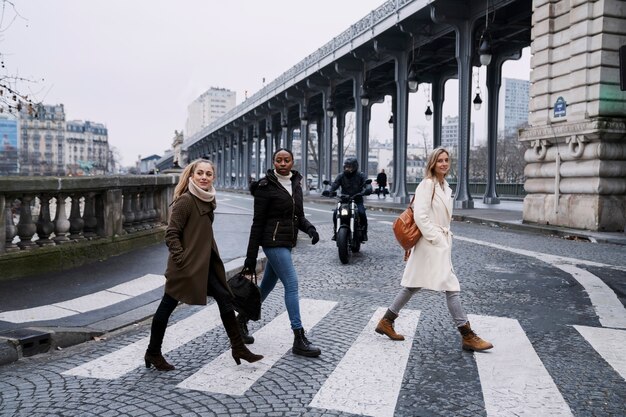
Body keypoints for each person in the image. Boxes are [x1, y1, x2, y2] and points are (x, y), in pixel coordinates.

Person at [145, 159, 263, 371]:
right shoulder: (186, 201)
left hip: (205, 264)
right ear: (191, 175)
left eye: (208, 174)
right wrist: (182, 261)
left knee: (225, 298)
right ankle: (153, 352)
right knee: (167, 306)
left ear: (213, 178)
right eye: (200, 173)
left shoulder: (208, 200)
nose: (204, 177)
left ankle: (238, 347)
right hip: (186, 266)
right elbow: (171, 234)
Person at [375, 147, 493, 352]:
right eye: (440, 160)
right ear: (432, 163)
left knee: (413, 284)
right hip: (432, 243)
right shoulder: (427, 184)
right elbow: (421, 217)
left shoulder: (445, 186)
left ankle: (386, 321)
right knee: (451, 287)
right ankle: (467, 334)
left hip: (436, 243)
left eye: (447, 160)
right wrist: (437, 239)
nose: (444, 164)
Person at [243, 148, 322, 357]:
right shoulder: (264, 187)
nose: (283, 163)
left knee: (266, 286)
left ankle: (240, 320)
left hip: (287, 242)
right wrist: (251, 257)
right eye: (279, 160)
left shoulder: (296, 184)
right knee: (292, 285)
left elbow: (298, 216)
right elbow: (257, 223)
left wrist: (310, 228)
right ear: (273, 162)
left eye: (286, 160)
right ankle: (298, 337)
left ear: (292, 162)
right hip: (273, 242)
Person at [322, 157, 372, 241]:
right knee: (335, 213)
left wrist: (368, 188)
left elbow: (366, 183)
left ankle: (364, 233)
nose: (347, 168)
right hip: (344, 200)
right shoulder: (341, 176)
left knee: (361, 213)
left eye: (350, 167)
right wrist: (329, 191)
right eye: (346, 166)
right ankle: (335, 232)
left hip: (357, 199)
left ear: (355, 167)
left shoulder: (361, 175)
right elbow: (335, 185)